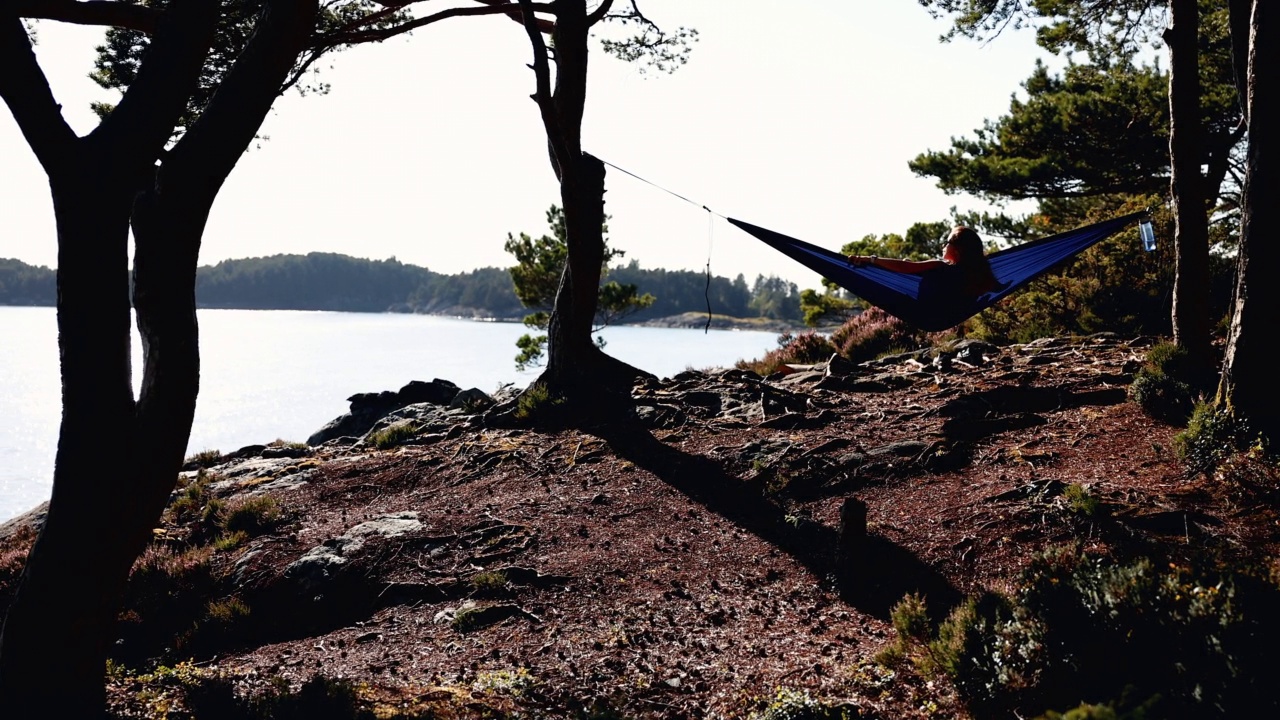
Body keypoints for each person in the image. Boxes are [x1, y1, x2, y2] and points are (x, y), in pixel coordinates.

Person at [847, 225, 1001, 301]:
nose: (943, 246)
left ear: (957, 250)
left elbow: (905, 267)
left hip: (928, 313)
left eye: (947, 242)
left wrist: (871, 259)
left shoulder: (940, 266)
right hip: (950, 313)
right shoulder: (981, 273)